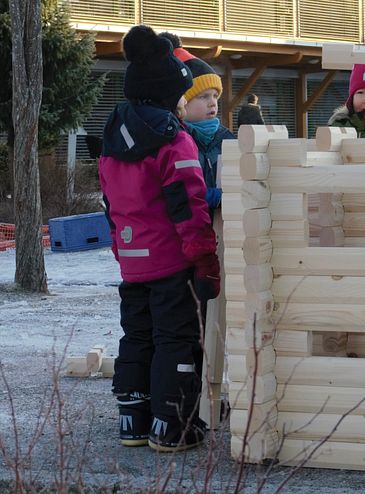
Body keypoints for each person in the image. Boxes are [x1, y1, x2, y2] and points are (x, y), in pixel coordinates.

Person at [99, 25, 220, 453]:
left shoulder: (114, 139)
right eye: (186, 97)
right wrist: (205, 258)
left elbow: (111, 206)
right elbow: (188, 205)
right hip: (172, 261)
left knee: (137, 336)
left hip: (133, 261)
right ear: (170, 94)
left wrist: (121, 250)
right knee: (177, 338)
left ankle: (133, 419)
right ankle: (173, 425)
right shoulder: (174, 140)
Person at [160, 32, 235, 217]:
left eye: (215, 96)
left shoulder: (228, 139)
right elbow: (178, 191)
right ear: (181, 101)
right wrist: (216, 197)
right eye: (203, 96)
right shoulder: (174, 141)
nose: (212, 103)